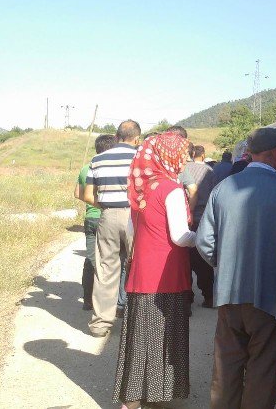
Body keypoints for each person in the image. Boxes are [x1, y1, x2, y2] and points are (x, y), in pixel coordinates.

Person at [196, 128, 276, 409]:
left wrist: (223, 264)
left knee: (226, 368)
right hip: (270, 296)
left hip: (229, 295)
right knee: (262, 371)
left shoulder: (224, 187)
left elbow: (203, 241)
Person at [113, 132, 197, 408]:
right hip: (166, 275)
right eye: (182, 154)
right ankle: (146, 396)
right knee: (163, 335)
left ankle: (140, 396)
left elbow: (131, 231)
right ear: (168, 156)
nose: (185, 160)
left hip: (142, 273)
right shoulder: (171, 190)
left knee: (140, 337)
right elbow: (180, 236)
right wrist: (207, 239)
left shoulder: (143, 189)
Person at [83, 119, 141, 337]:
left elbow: (89, 195)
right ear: (137, 139)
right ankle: (136, 321)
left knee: (106, 269)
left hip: (107, 216)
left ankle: (100, 324)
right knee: (137, 267)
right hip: (135, 217)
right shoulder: (140, 158)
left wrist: (107, 206)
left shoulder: (97, 159)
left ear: (116, 136)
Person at [75, 133, 117, 311]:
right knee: (112, 260)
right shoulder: (112, 167)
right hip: (108, 217)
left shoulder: (86, 168)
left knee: (91, 259)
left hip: (90, 218)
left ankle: (87, 299)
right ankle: (109, 301)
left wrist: (93, 203)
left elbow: (78, 193)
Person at [179, 144, 217, 307]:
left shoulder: (182, 169)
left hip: (183, 219)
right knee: (203, 261)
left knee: (184, 260)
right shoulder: (209, 171)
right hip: (202, 219)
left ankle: (187, 296)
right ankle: (208, 296)